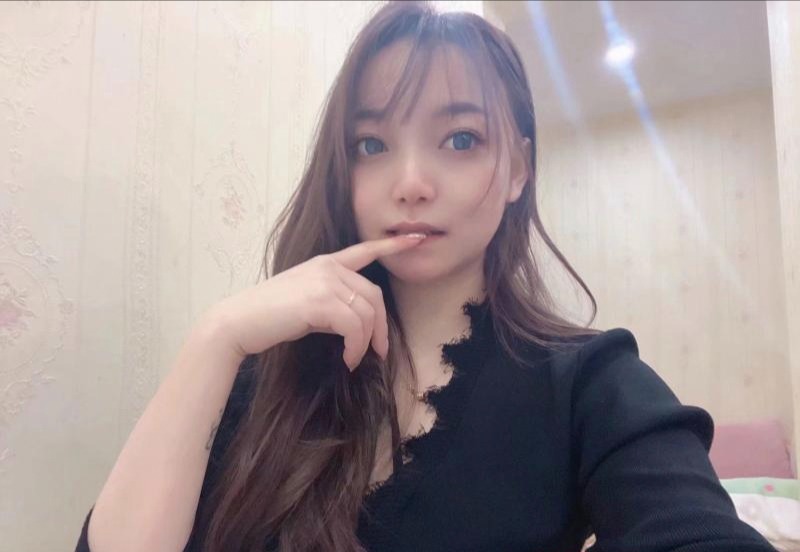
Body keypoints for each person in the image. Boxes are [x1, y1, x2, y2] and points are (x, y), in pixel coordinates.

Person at [75, 2, 778, 551]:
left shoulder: (589, 381)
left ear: (518, 169)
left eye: (460, 139)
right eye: (372, 144)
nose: (410, 182)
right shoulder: (271, 370)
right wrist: (216, 338)